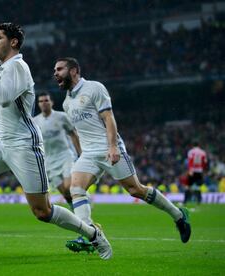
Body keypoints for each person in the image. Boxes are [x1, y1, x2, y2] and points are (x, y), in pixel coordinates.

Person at [0, 23, 113, 260]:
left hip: (24, 146)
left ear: (13, 42)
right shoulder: (3, 68)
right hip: (3, 143)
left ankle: (92, 234)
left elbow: (1, 98)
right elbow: (3, 108)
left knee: (43, 212)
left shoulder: (18, 66)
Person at [53, 57, 191, 253]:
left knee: (135, 190)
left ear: (74, 70)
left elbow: (109, 118)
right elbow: (82, 131)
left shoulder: (94, 88)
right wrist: (82, 155)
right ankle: (89, 234)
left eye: (60, 69)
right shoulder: (67, 102)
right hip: (89, 153)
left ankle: (178, 215)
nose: (55, 73)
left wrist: (113, 147)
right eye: (55, 70)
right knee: (75, 188)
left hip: (108, 148)